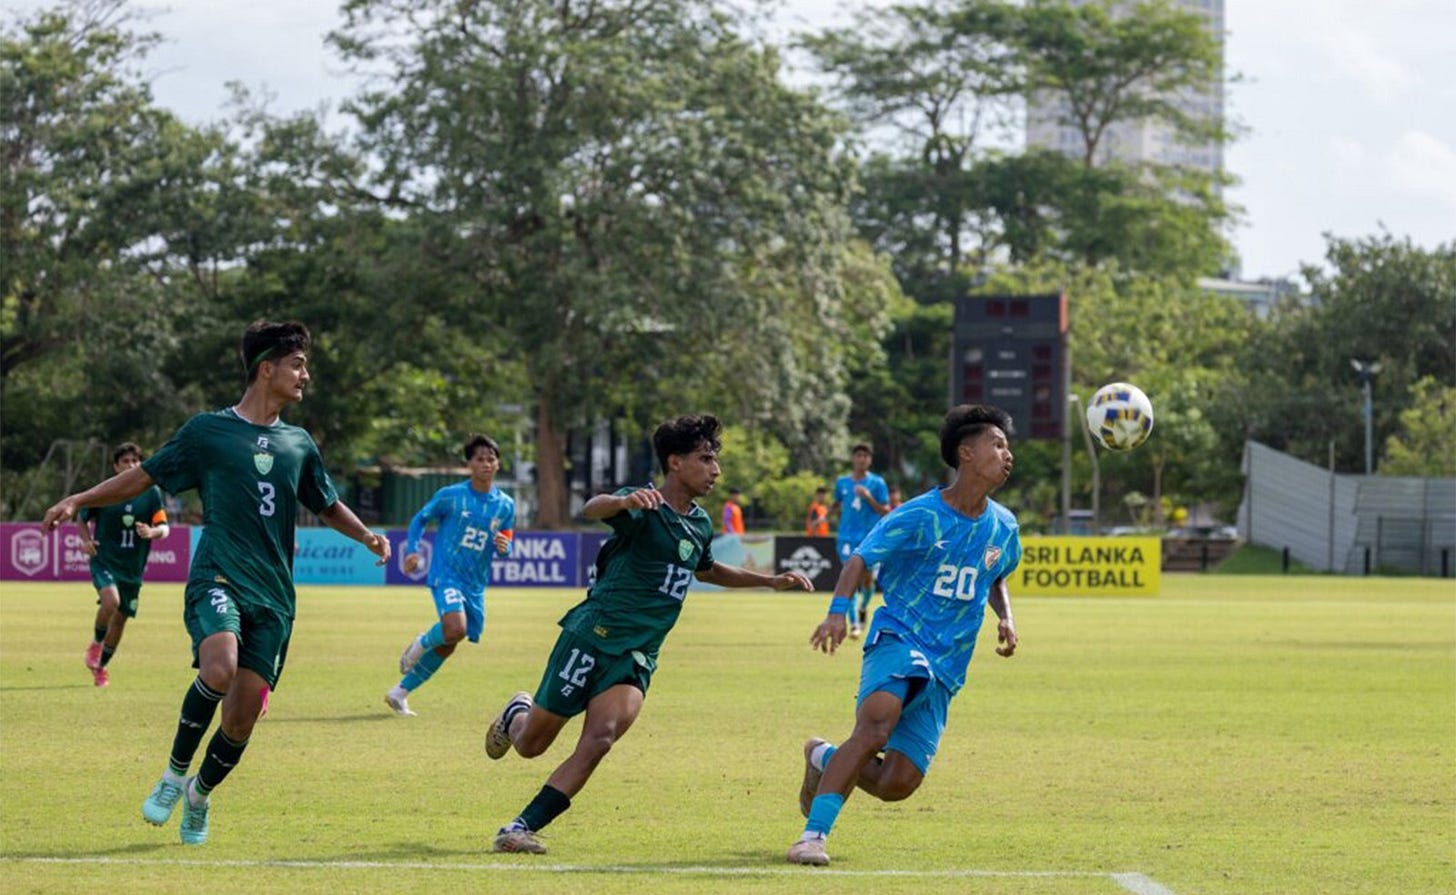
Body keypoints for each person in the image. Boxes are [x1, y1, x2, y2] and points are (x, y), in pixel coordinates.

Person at [41, 320, 390, 846]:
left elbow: (325, 501)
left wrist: (365, 535)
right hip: (218, 573)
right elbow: (145, 476)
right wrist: (80, 499)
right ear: (266, 368)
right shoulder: (207, 432)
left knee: (243, 717)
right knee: (220, 665)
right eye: (297, 365)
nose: (306, 375)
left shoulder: (299, 443)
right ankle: (172, 775)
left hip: (274, 594)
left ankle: (199, 795)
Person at [483, 414, 813, 855]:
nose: (716, 470)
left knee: (600, 738)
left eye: (715, 460)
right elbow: (592, 508)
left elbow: (707, 569)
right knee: (530, 745)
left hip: (637, 655)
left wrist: (768, 581)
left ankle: (520, 826)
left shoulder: (698, 524)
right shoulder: (645, 505)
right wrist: (623, 504)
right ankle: (516, 715)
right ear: (675, 463)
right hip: (591, 635)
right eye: (706, 459)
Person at [787, 404, 1022, 867]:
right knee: (875, 726)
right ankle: (812, 836)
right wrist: (837, 612)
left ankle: (822, 758)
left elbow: (995, 574)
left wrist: (1006, 618)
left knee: (897, 784)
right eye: (997, 444)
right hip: (900, 636)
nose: (1007, 454)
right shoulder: (920, 514)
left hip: (948, 663)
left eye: (1008, 446)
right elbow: (860, 558)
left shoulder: (1005, 525)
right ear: (966, 453)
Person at [386, 434, 515, 717]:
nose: (486, 463)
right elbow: (421, 518)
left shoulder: (505, 505)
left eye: (491, 458)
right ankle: (419, 643)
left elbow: (506, 539)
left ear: (498, 464)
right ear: (469, 464)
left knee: (450, 642)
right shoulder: (452, 496)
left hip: (475, 583)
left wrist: (505, 547)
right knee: (454, 629)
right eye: (479, 458)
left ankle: (399, 693)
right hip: (446, 575)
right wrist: (411, 549)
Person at [77, 442, 171, 688]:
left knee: (119, 621)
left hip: (133, 569)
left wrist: (152, 532)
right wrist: (86, 541)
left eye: (135, 461)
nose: (131, 465)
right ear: (116, 466)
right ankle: (97, 643)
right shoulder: (105, 491)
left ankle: (101, 667)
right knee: (111, 601)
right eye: (126, 462)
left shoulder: (151, 493)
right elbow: (82, 515)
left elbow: (165, 527)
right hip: (105, 560)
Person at [831, 444, 890, 638]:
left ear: (870, 460)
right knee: (850, 577)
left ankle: (863, 606)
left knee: (867, 581)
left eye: (865, 456)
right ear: (853, 458)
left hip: (870, 538)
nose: (862, 459)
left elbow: (885, 511)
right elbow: (837, 503)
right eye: (858, 455)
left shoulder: (877, 483)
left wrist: (868, 497)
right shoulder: (842, 483)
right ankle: (854, 624)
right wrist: (823, 518)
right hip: (846, 538)